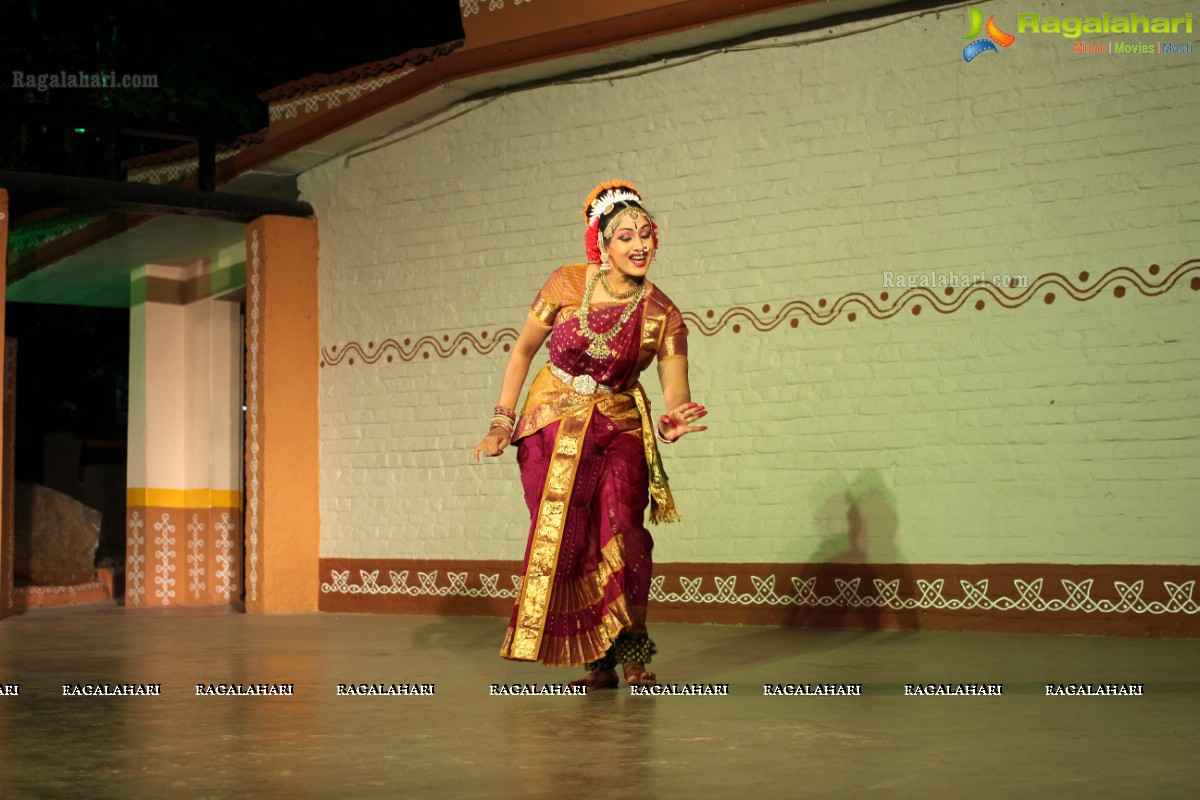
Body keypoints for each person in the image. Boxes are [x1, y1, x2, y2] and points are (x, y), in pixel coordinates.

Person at [473, 181, 708, 689]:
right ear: (601, 245)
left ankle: (633, 654)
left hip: (618, 422)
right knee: (570, 536)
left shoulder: (663, 314)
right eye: (626, 236)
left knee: (623, 531)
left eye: (647, 234)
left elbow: (675, 387)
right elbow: (521, 352)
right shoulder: (564, 284)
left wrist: (671, 420)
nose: (640, 244)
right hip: (548, 425)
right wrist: (500, 422)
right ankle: (595, 660)